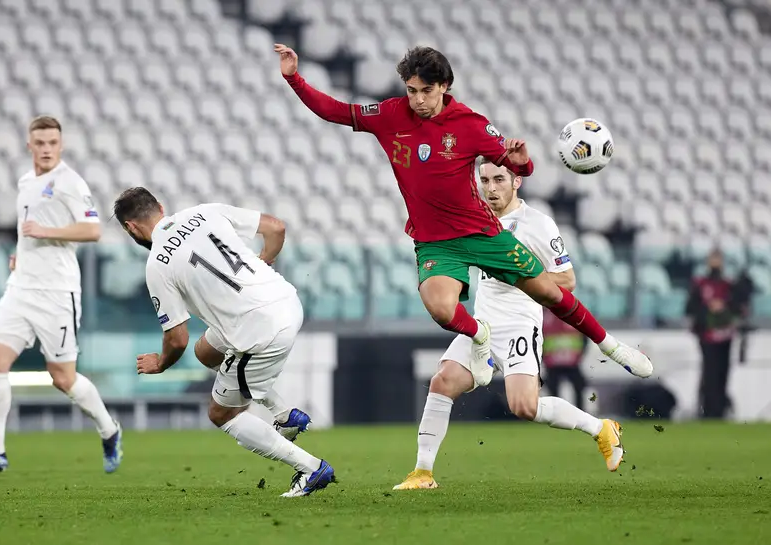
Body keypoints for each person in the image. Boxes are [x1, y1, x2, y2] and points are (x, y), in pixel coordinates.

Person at [275, 44, 653, 387]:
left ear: (444, 86)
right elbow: (335, 111)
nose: (418, 100)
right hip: (435, 240)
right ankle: (480, 336)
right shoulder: (390, 115)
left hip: (483, 234)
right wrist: (294, 77)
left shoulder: (470, 124)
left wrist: (523, 162)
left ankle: (612, 346)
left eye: (426, 90)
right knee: (441, 310)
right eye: (411, 90)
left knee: (550, 294)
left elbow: (519, 166)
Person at [394, 162, 623, 490]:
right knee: (443, 381)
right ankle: (423, 472)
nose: (491, 188)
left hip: (519, 325)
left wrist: (516, 276)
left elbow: (567, 281)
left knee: (524, 406)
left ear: (517, 180)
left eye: (499, 179)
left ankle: (601, 429)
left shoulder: (538, 224)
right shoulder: (475, 220)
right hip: (482, 325)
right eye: (484, 180)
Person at [113, 187, 334, 497]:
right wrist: (264, 260)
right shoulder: (204, 211)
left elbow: (176, 339)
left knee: (222, 413)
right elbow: (276, 227)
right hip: (285, 299)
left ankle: (311, 468)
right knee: (205, 352)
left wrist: (160, 363)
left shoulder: (157, 265)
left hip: (259, 331)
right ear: (161, 207)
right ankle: (285, 415)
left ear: (131, 228)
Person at [0, 116, 122, 473]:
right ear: (29, 145)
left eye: (52, 143)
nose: (47, 149)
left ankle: (109, 430)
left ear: (60, 146)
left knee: (62, 378)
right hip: (20, 288)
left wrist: (46, 232)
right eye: (40, 143)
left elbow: (93, 229)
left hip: (56, 292)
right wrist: (22, 252)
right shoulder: (25, 182)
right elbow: (29, 231)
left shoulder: (70, 182)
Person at [686, 249, 751, 419]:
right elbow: (691, 308)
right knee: (709, 373)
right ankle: (707, 410)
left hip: (725, 336)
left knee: (723, 372)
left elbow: (740, 305)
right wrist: (707, 310)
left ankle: (719, 410)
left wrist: (725, 306)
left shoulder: (728, 285)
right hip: (707, 336)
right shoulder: (701, 284)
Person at [541, 308, 590, 411]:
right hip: (554, 363)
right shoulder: (545, 316)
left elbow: (584, 338)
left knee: (578, 387)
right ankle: (557, 413)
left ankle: (578, 412)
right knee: (553, 389)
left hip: (569, 362)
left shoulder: (546, 316)